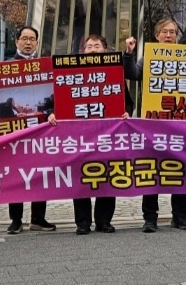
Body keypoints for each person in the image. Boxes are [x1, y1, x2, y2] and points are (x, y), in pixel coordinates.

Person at [125, 18, 186, 231]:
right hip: (153, 125)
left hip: (180, 125)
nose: (169, 35)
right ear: (157, 35)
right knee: (152, 171)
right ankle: (150, 218)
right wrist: (129, 53)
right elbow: (132, 74)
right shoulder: (149, 56)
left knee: (180, 169)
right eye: (165, 32)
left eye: (173, 32)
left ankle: (180, 216)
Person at [0, 26, 56, 234]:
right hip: (15, 131)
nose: (28, 42)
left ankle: (38, 218)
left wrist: (53, 112)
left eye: (32, 39)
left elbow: (55, 96)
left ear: (37, 42)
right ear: (16, 41)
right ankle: (16, 220)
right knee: (16, 175)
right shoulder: (5, 67)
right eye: (24, 38)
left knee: (40, 174)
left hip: (41, 129)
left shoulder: (46, 66)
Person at [71, 35, 121, 235]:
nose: (92, 50)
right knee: (81, 177)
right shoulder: (72, 73)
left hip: (108, 133)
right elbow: (61, 101)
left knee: (108, 175)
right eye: (89, 46)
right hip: (80, 134)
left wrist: (125, 112)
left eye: (97, 46)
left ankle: (104, 221)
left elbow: (126, 101)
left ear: (105, 50)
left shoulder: (115, 72)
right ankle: (82, 222)